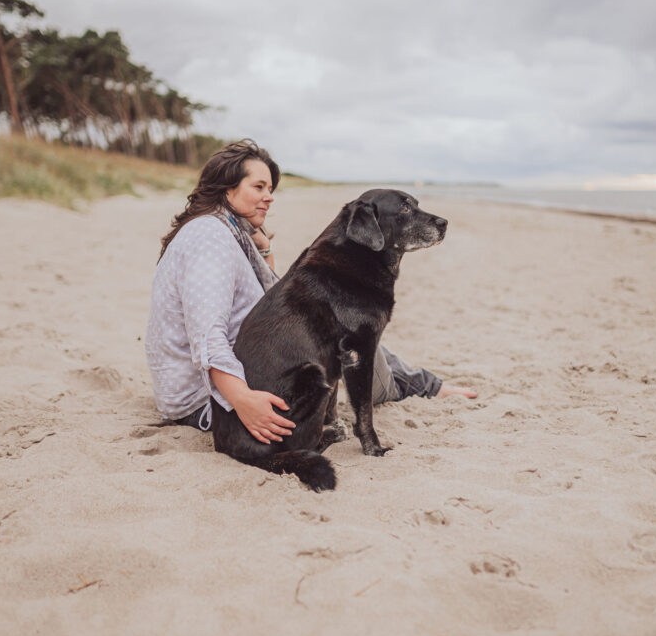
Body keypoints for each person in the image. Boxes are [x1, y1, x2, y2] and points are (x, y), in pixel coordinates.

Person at [144, 139, 477, 444]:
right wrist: (242, 400)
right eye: (258, 186)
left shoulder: (228, 231)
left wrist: (263, 246)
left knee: (350, 328)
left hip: (250, 366)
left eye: (270, 188)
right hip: (208, 399)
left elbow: (273, 300)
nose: (269, 196)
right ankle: (421, 387)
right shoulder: (208, 238)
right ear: (225, 189)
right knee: (356, 335)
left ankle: (424, 385)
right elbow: (207, 336)